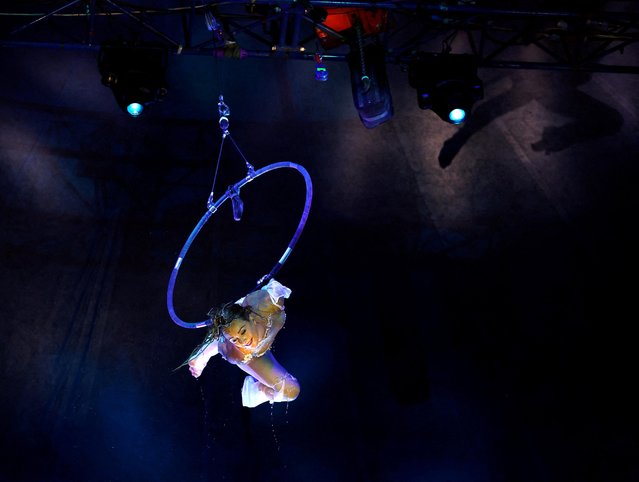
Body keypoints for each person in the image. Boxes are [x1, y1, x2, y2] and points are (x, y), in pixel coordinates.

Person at [185, 279, 300, 408]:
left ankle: (213, 345)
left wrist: (272, 288)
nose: (243, 341)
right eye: (235, 339)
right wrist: (203, 355)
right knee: (291, 391)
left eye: (243, 332)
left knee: (291, 392)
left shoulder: (267, 305)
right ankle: (202, 355)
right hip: (249, 353)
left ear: (251, 319)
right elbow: (223, 339)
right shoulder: (237, 353)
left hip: (252, 310)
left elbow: (276, 289)